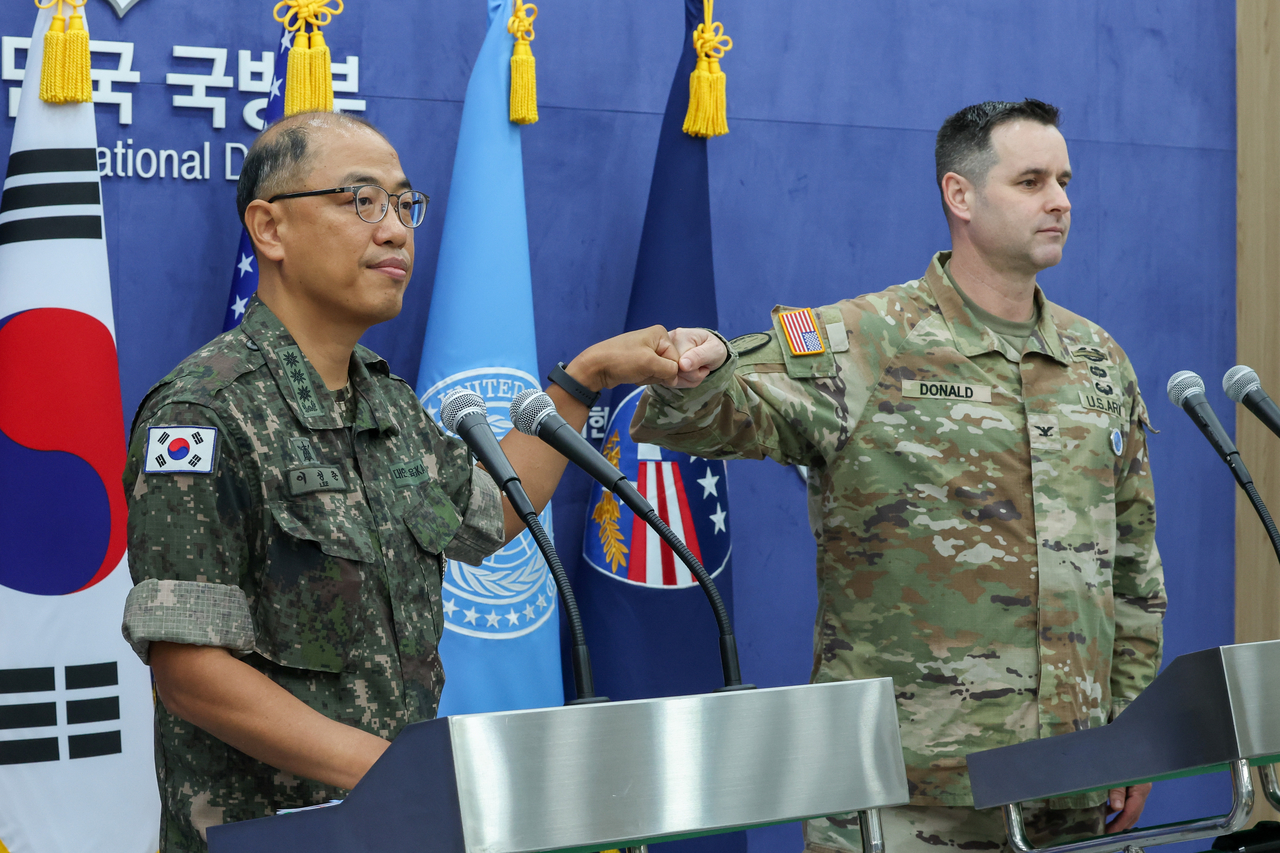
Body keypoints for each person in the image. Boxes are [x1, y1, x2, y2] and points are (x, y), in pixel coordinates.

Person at [120, 112, 680, 852]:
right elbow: (190, 671)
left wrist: (585, 377)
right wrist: (402, 776)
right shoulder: (203, 413)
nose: (394, 231)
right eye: (361, 201)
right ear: (270, 228)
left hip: (399, 827)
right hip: (276, 837)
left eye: (404, 204)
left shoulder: (385, 401)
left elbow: (491, 510)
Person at [629, 99, 1166, 852]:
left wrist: (1132, 728)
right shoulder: (865, 340)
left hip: (1069, 783)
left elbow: (1134, 564)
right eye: (1032, 181)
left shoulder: (1097, 359)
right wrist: (697, 372)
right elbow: (709, 417)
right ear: (960, 195)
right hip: (908, 792)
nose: (1060, 202)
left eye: (1065, 181)